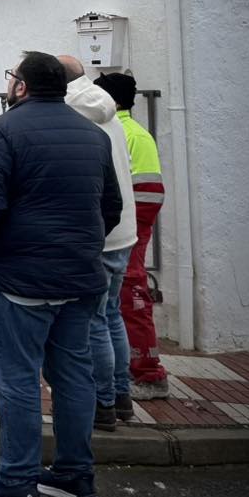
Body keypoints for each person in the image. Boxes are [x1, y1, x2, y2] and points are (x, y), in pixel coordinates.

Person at [0, 51, 122, 497]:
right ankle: (76, 476)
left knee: (16, 377)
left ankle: (16, 482)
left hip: (19, 279)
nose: (9, 83)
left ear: (22, 87)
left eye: (11, 77)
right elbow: (108, 208)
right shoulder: (93, 136)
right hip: (79, 276)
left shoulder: (3, 134)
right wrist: (77, 247)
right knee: (74, 375)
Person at [58, 55, 138, 429]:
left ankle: (102, 404)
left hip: (98, 232)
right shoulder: (104, 104)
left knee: (93, 322)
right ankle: (122, 397)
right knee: (112, 316)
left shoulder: (70, 111)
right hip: (123, 229)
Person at [94, 72, 170, 399]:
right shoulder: (133, 131)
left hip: (125, 231)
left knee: (130, 299)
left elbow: (150, 192)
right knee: (118, 305)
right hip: (128, 228)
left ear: (111, 100)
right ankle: (128, 376)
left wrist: (121, 228)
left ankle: (147, 375)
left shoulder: (121, 131)